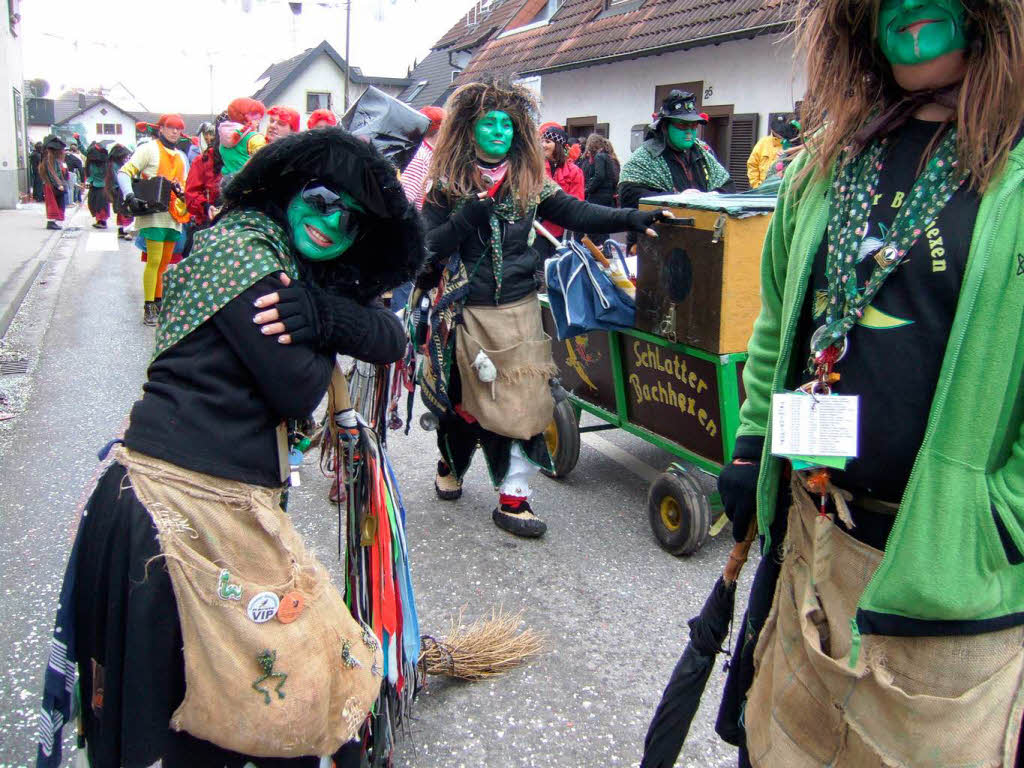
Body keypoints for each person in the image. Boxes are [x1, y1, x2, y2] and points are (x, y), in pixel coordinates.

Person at [35, 126, 424, 768]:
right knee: (220, 708)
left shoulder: (288, 266)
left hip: (224, 502)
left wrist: (328, 314)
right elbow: (298, 387)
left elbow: (391, 337)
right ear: (290, 189)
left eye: (351, 221)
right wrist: (329, 316)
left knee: (244, 701)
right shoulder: (244, 252)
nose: (331, 223)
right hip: (176, 511)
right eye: (322, 199)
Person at [715, 0, 1024, 765]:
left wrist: (1000, 524)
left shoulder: (1014, 174)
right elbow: (778, 316)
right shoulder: (824, 166)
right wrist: (754, 445)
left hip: (947, 586)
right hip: (812, 540)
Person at [419, 78, 671, 538]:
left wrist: (630, 218)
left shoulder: (530, 184)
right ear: (468, 131)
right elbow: (424, 248)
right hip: (465, 314)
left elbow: (577, 212)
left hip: (518, 311)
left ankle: (514, 499)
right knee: (464, 408)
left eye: (506, 124)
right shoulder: (446, 186)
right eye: (488, 123)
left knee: (528, 405)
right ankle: (450, 463)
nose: (498, 132)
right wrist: (462, 220)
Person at [618, 90, 731, 251]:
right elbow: (630, 198)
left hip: (700, 240)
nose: (689, 131)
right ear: (665, 126)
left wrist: (710, 197)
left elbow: (727, 186)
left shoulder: (703, 153)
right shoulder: (645, 157)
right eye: (682, 125)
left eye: (693, 126)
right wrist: (677, 199)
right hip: (654, 243)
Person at [116, 114, 191, 326]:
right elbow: (124, 172)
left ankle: (158, 302)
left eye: (179, 128)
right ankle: (149, 305)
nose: (175, 132)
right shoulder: (148, 149)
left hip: (174, 216)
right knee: (154, 261)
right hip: (154, 214)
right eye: (171, 127)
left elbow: (183, 183)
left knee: (165, 263)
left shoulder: (181, 156)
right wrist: (130, 195)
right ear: (161, 129)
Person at [536, 123, 584, 261]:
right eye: (542, 141)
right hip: (539, 229)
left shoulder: (574, 171)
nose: (543, 145)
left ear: (558, 145)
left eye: (548, 141)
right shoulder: (537, 169)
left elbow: (577, 201)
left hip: (563, 231)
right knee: (539, 272)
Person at [183, 114, 226, 257]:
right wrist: (206, 207)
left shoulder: (252, 158)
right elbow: (191, 195)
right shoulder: (203, 161)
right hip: (208, 229)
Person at [218, 98, 268, 176]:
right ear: (247, 116)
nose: (259, 120)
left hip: (227, 182)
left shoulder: (223, 138)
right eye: (256, 115)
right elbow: (266, 163)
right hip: (249, 183)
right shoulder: (255, 138)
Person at [745, 113, 791, 189]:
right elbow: (752, 165)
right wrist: (756, 185)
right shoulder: (762, 142)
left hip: (781, 189)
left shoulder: (792, 144)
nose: (780, 132)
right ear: (772, 129)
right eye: (777, 129)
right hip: (762, 188)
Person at [105, 143, 134, 240]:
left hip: (119, 189)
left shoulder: (116, 164)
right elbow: (117, 178)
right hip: (119, 190)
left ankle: (122, 230)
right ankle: (126, 231)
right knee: (125, 210)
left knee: (122, 210)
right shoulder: (114, 165)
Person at [38, 134, 67, 230]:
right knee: (53, 204)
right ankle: (51, 222)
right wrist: (59, 185)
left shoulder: (51, 159)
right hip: (51, 185)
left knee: (55, 203)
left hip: (51, 184)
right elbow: (52, 174)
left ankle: (53, 222)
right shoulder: (50, 160)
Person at [84, 142, 111, 228]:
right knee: (93, 203)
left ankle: (102, 221)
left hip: (102, 186)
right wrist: (78, 141)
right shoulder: (91, 162)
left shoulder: (106, 163)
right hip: (94, 184)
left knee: (101, 204)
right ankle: (99, 220)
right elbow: (84, 152)